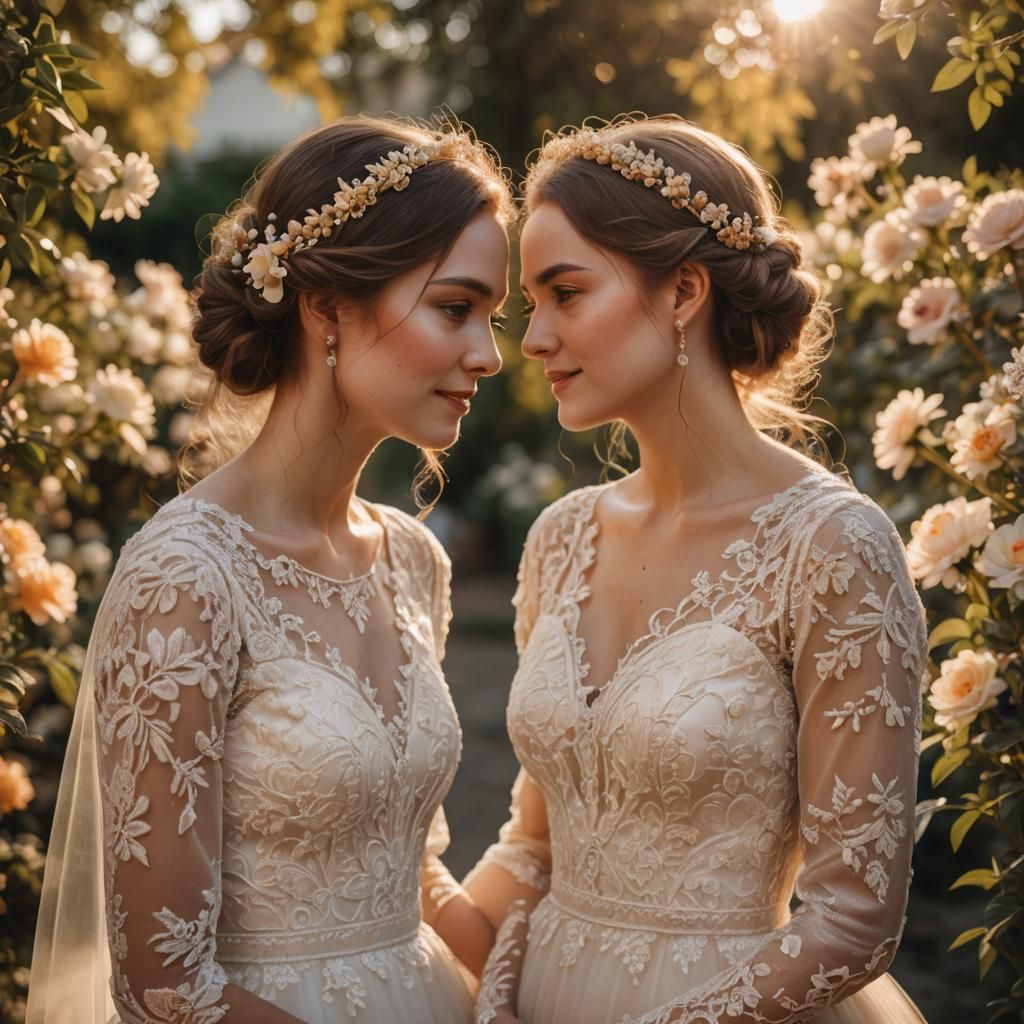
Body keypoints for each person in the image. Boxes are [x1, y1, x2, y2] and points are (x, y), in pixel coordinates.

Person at [27, 114, 512, 1024]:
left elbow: (409, 866)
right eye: (457, 308)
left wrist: (540, 989)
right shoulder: (186, 576)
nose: (488, 353)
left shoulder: (414, 560)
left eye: (492, 316)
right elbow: (165, 984)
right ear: (326, 306)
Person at [464, 115, 929, 1024]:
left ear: (682, 291)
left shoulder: (831, 547)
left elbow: (854, 919)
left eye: (566, 293)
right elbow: (535, 844)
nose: (533, 339)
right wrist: (374, 911)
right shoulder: (560, 539)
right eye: (532, 304)